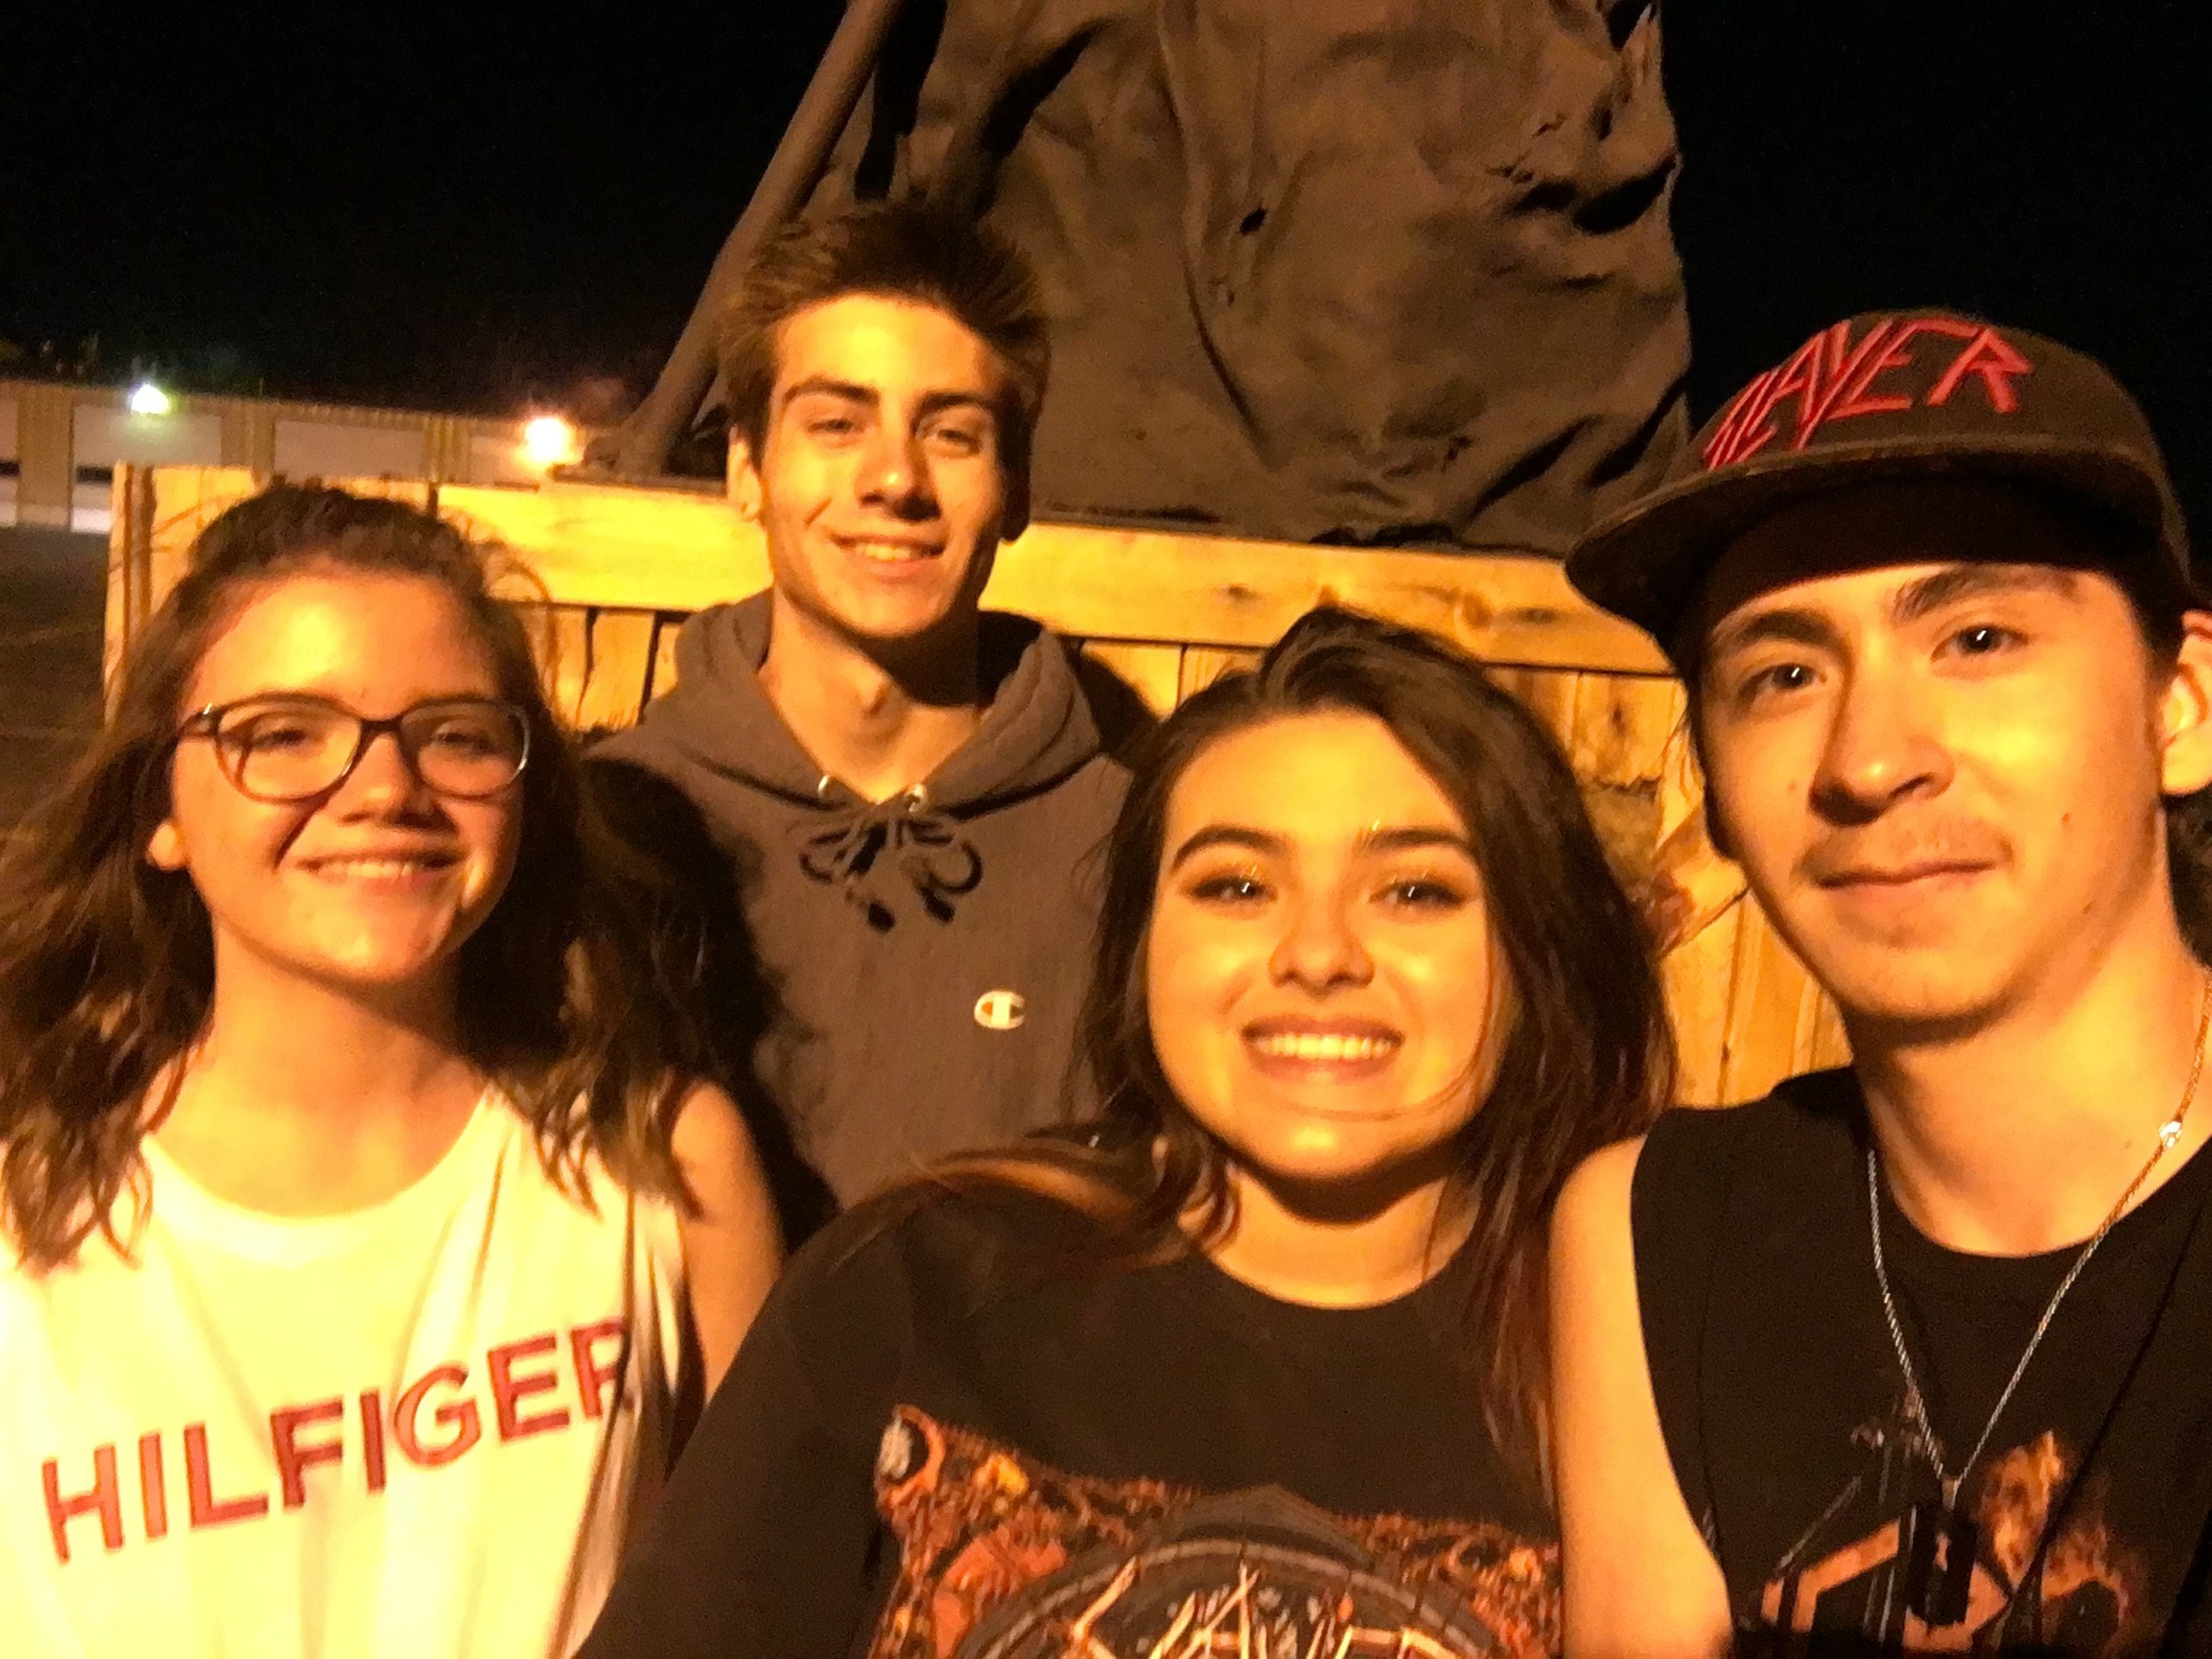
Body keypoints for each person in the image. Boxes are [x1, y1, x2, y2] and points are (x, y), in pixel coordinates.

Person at [576, 607, 1674, 1659]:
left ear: (1538, 951)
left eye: (1415, 892)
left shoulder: (1628, 1361)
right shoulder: (917, 1286)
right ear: (1140, 948)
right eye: (1236, 885)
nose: (1317, 954)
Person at [0, 484, 783, 1658]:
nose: (383, 791)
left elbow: (757, 1607)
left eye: (456, 735)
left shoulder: (663, 1166)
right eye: (283, 734)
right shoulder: (24, 1209)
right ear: (159, 805)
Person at [1551, 312, 2212, 1652]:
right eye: (1784, 673)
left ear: (2183, 705)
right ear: (1713, 791)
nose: (1869, 759)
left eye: (1978, 639)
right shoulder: (1663, 1234)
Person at [592, 201, 1128, 1227]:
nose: (894, 480)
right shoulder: (611, 834)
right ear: (746, 471)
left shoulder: (1129, 848)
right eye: (836, 425)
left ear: (1014, 490)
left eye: (952, 434)